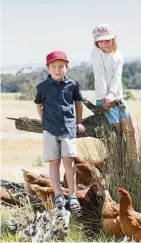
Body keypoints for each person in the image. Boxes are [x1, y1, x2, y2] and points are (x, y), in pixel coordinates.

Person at [91, 24, 141, 170]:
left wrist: (112, 94)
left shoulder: (119, 56)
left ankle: (134, 163)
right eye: (101, 41)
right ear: (96, 42)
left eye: (108, 40)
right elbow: (100, 76)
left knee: (129, 131)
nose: (104, 43)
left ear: (113, 39)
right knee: (116, 135)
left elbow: (117, 77)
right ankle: (118, 166)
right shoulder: (97, 54)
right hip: (105, 99)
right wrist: (106, 96)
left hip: (118, 99)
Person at [34, 50, 85, 211]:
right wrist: (44, 121)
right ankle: (57, 195)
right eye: (54, 66)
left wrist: (78, 121)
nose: (57, 70)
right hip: (50, 130)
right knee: (54, 162)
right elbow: (38, 105)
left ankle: (72, 195)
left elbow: (78, 103)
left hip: (68, 128)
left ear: (67, 67)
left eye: (61, 66)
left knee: (69, 162)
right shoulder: (42, 87)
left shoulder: (72, 85)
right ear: (48, 68)